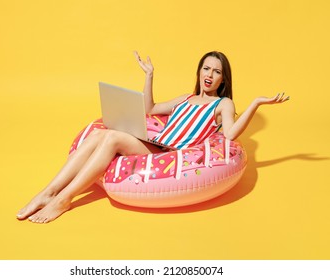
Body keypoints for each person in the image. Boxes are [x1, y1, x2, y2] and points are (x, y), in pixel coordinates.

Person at [16, 51, 289, 223]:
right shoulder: (187, 98)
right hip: (155, 143)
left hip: (169, 154)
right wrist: (149, 76)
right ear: (199, 71)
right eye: (206, 68)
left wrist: (255, 103)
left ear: (223, 79)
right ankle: (48, 192)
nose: (209, 74)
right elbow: (150, 109)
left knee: (111, 139)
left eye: (216, 71)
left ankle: (64, 199)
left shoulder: (223, 104)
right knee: (99, 134)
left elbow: (229, 134)